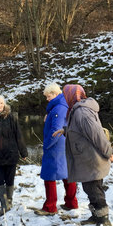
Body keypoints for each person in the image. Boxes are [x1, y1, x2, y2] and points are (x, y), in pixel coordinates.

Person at [54, 84, 113, 226]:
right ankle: (96, 216)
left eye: (66, 94)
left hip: (91, 159)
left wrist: (109, 152)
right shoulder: (77, 109)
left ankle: (103, 220)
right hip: (87, 158)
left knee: (94, 190)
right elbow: (80, 131)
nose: (65, 97)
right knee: (90, 188)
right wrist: (66, 131)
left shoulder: (81, 112)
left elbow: (96, 135)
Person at [37, 82, 78, 214]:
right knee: (66, 174)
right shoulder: (61, 106)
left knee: (49, 176)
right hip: (63, 144)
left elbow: (56, 129)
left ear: (55, 94)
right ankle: (71, 203)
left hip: (55, 146)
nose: (47, 99)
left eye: (48, 96)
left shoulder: (58, 108)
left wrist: (47, 145)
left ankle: (50, 207)